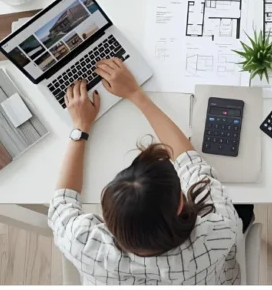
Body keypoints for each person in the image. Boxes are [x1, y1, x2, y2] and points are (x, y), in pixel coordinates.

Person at [48, 58, 245, 284]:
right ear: (180, 204)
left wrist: (80, 127)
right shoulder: (217, 229)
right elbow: (190, 162)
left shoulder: (86, 246)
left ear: (107, 222)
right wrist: (135, 93)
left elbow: (61, 204)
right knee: (245, 209)